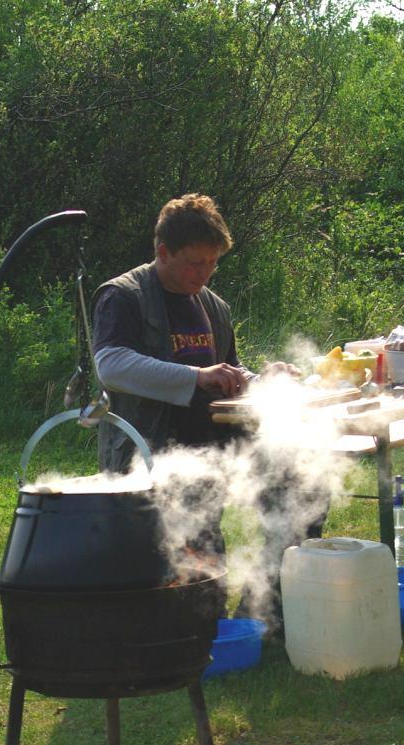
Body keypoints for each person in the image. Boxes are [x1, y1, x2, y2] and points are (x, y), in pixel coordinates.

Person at [91, 193, 325, 626]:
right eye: (196, 263)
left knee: (303, 488)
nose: (206, 273)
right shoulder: (123, 296)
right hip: (156, 453)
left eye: (213, 263)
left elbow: (228, 373)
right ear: (163, 252)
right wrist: (196, 376)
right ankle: (188, 631)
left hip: (220, 449)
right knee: (197, 579)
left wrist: (261, 379)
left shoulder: (213, 305)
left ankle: (270, 612)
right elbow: (111, 366)